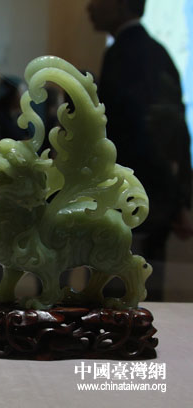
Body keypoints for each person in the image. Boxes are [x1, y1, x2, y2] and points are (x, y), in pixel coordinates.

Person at [87, 0, 193, 300]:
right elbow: (178, 132)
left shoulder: (123, 54)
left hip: (129, 200)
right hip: (155, 198)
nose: (89, 7)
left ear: (121, 5)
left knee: (119, 298)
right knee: (144, 295)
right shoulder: (158, 52)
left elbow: (138, 135)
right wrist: (179, 197)